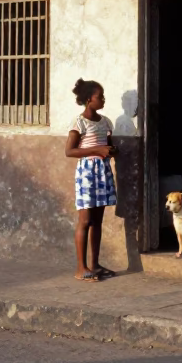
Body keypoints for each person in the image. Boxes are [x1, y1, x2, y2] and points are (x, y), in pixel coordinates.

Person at [65, 79, 117, 281]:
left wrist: (112, 150)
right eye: (100, 97)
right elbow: (70, 151)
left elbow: (108, 146)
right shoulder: (79, 123)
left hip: (102, 171)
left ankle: (94, 265)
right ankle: (81, 267)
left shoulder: (105, 122)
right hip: (87, 174)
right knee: (85, 220)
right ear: (88, 100)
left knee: (97, 221)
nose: (103, 100)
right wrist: (97, 150)